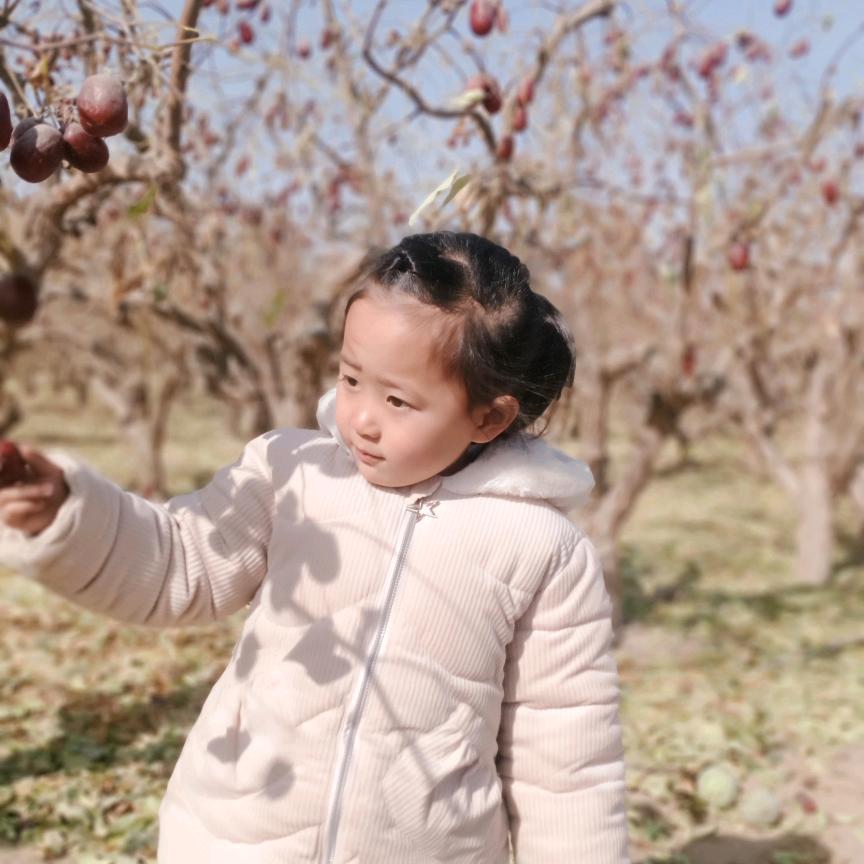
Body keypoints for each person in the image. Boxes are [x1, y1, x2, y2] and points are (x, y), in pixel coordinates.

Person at [0, 231, 630, 864]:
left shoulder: (541, 549)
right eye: (351, 378)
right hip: (236, 841)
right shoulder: (292, 474)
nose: (360, 416)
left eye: (397, 400)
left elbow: (565, 760)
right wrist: (68, 513)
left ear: (488, 418)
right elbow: (179, 561)